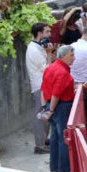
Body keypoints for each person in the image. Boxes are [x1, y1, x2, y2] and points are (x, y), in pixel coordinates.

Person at [41, 45, 76, 172]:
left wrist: (45, 108)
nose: (74, 58)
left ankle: (54, 167)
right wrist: (50, 110)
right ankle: (64, 169)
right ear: (63, 56)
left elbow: (44, 89)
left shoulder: (50, 68)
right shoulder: (62, 72)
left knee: (55, 137)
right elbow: (56, 93)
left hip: (51, 104)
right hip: (60, 106)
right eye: (71, 55)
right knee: (63, 137)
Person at [25, 22, 52, 154]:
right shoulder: (33, 49)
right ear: (40, 34)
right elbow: (47, 69)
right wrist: (49, 53)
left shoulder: (38, 47)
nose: (50, 34)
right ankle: (40, 146)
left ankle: (43, 140)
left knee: (45, 114)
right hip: (39, 87)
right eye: (47, 32)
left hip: (43, 85)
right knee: (40, 116)